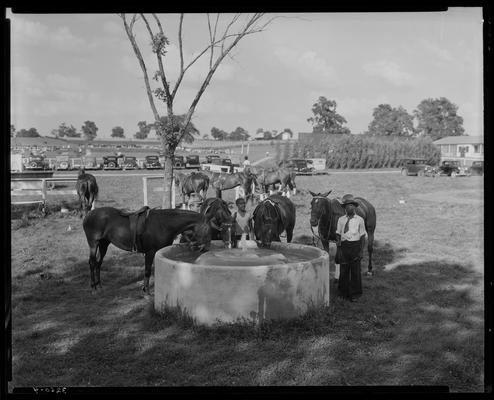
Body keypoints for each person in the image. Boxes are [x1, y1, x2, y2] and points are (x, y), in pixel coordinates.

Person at [335, 194, 367, 302]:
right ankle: (343, 293)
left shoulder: (360, 220)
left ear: (355, 207)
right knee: (344, 270)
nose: (350, 208)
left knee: (355, 271)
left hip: (355, 246)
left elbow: (362, 236)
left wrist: (361, 251)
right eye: (347, 206)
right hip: (344, 247)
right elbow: (338, 234)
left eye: (352, 206)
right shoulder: (341, 220)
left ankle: (355, 294)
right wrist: (338, 249)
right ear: (344, 208)